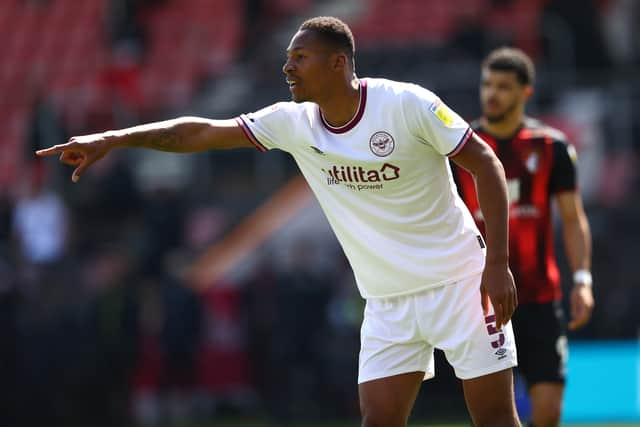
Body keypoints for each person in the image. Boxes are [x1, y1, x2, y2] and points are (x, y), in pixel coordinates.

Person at [37, 16, 521, 427]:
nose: (288, 66)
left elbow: (486, 164)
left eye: (300, 57)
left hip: (460, 282)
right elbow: (199, 133)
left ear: (339, 63)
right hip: (387, 302)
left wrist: (496, 263)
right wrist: (114, 138)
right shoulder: (293, 123)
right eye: (288, 57)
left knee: (496, 419)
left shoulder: (406, 104)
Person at [451, 47, 594, 427]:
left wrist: (582, 280)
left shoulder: (552, 148)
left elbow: (573, 217)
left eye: (503, 86)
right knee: (494, 415)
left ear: (525, 92)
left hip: (540, 297)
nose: (491, 94)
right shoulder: (459, 151)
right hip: (482, 302)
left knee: (547, 414)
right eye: (487, 85)